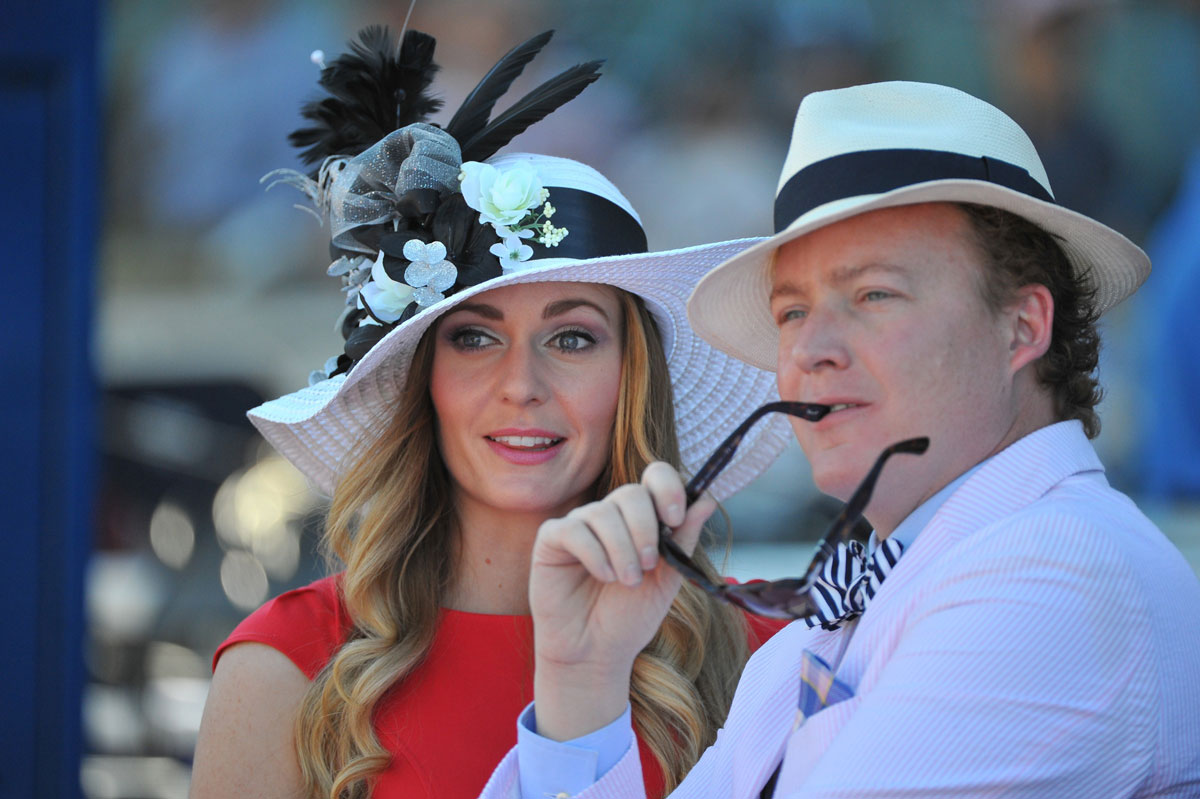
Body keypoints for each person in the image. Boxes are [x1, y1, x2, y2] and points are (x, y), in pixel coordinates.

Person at [476, 81, 1200, 798]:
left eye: (874, 294)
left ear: (1023, 326)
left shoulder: (1057, 574)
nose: (809, 350)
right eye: (791, 311)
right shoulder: (833, 616)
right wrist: (583, 679)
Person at [189, 27, 793, 799]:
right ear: (423, 383)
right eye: (475, 338)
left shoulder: (760, 660)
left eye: (572, 337)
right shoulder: (285, 667)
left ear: (631, 379)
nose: (521, 385)